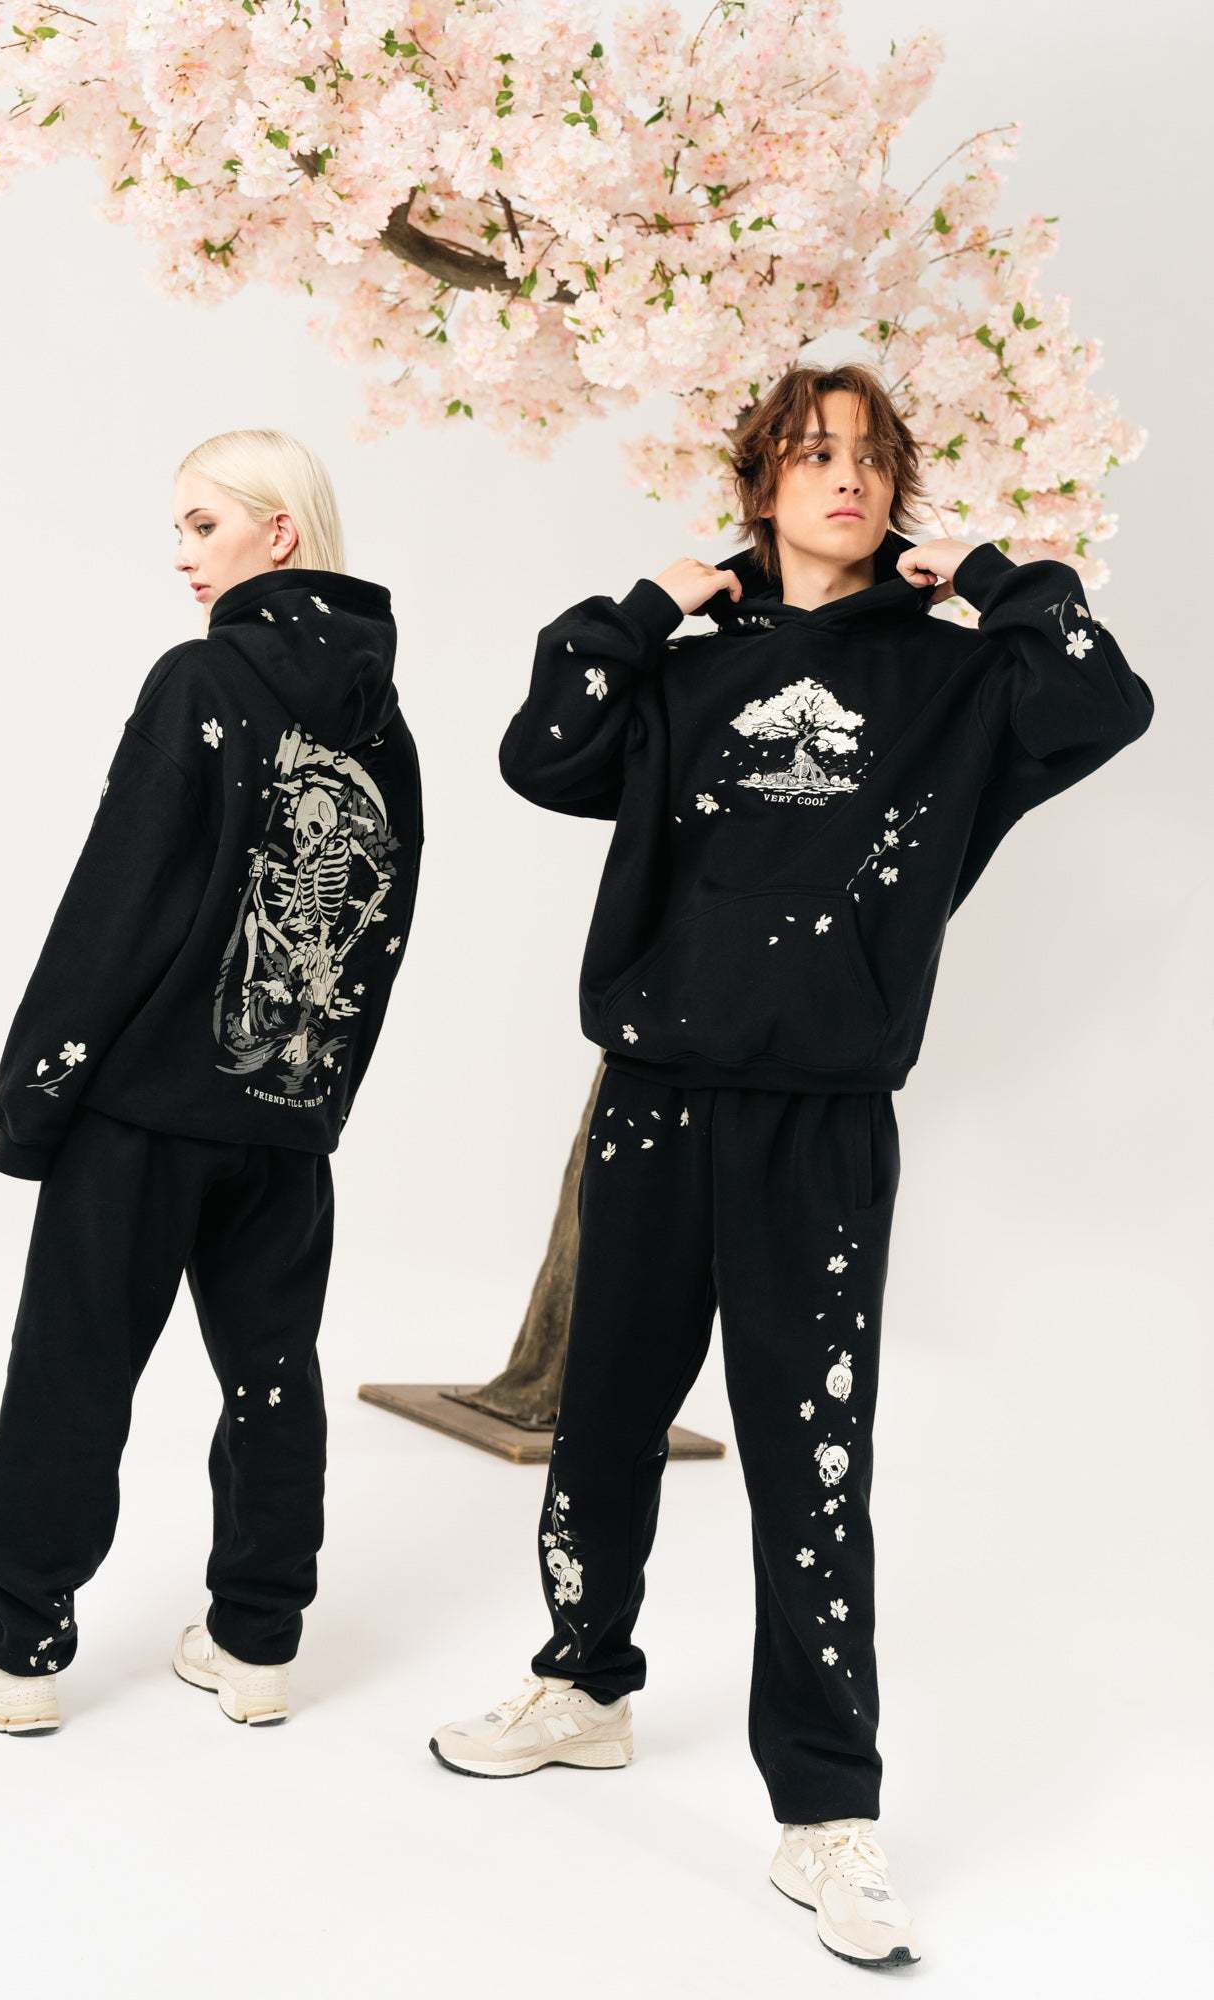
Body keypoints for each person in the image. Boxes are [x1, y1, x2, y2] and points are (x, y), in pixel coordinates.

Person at [429, 362, 1153, 1967]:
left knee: (807, 1455)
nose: (847, 478)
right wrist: (647, 605)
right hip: (649, 1098)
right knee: (603, 1414)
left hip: (817, 1121)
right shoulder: (684, 669)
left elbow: (1102, 703)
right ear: (758, 481)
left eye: (872, 457)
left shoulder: (952, 678)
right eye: (813, 453)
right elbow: (542, 752)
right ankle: (581, 1681)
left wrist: (991, 576)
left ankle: (826, 1809)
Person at [0, 428, 423, 1732]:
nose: (182, 554)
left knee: (74, 1368)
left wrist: (39, 1090)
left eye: (202, 524)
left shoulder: (201, 677)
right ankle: (257, 1644)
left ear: (276, 533)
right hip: (284, 1111)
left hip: (144, 1109)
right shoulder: (389, 731)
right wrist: (317, 1096)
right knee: (272, 1370)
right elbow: (378, 932)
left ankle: (16, 1653)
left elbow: (120, 898)